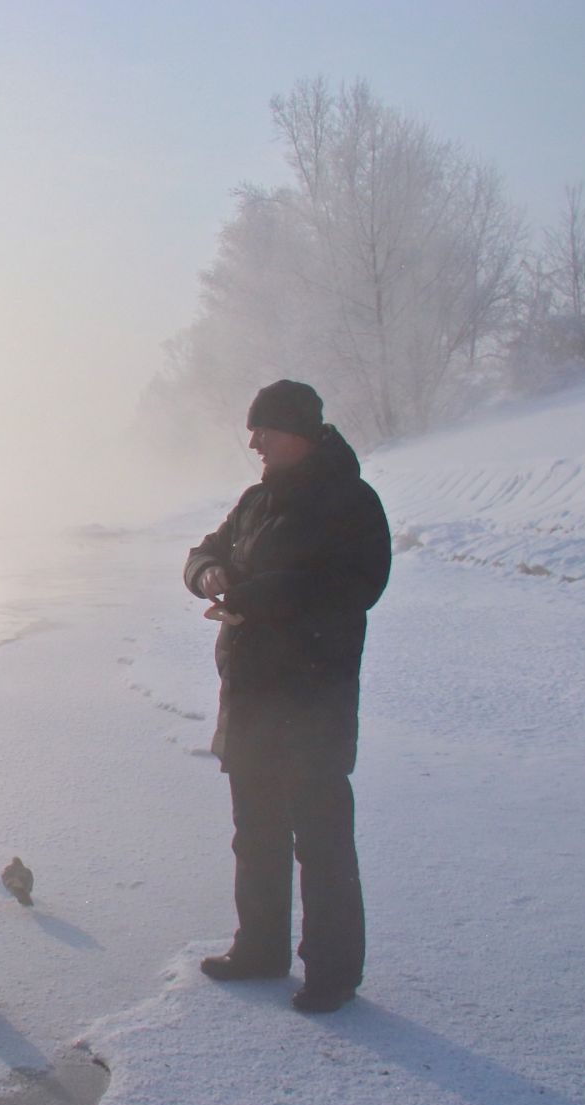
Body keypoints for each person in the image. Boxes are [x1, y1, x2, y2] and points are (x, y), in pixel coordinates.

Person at [185, 379, 391, 1014]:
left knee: (322, 837)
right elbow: (203, 552)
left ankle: (333, 972)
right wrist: (209, 575)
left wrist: (249, 596)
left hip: (312, 698)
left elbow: (352, 587)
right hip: (249, 697)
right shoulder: (255, 501)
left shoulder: (350, 502)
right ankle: (261, 948)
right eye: (254, 432)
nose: (256, 443)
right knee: (257, 831)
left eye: (266, 432)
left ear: (301, 432)